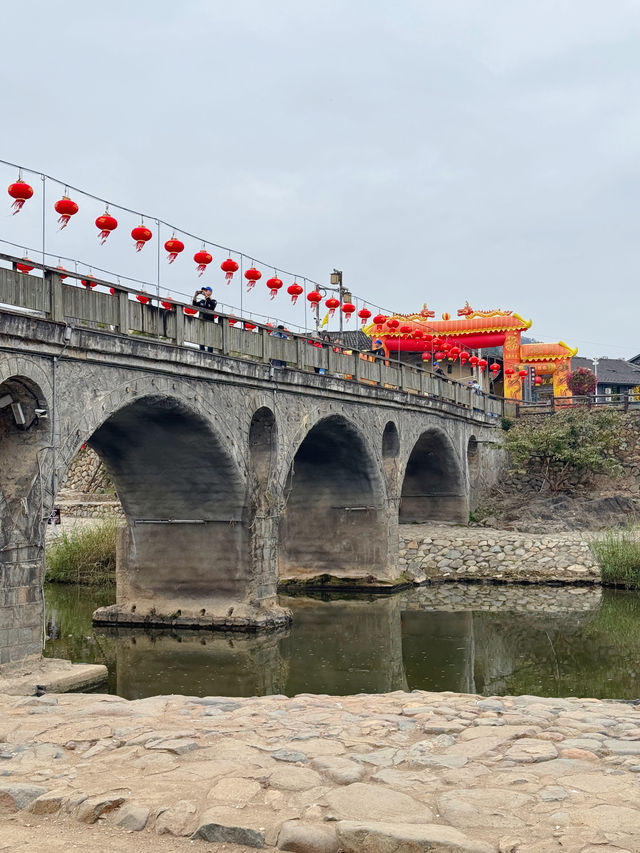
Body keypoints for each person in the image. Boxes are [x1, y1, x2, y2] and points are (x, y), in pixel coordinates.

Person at [192, 286, 217, 352]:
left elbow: (212, 307)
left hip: (210, 323)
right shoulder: (202, 301)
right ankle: (202, 351)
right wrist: (195, 295)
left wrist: (206, 295)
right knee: (201, 337)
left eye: (206, 290)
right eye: (204, 291)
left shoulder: (213, 301)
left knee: (210, 338)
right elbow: (194, 305)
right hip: (201, 322)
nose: (205, 292)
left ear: (210, 292)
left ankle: (210, 352)